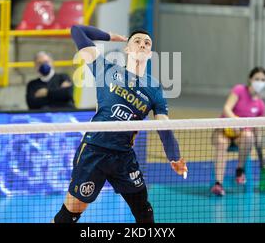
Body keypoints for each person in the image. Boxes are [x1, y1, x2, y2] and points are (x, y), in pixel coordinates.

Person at [52, 25, 188, 223]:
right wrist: (111, 37)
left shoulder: (155, 88)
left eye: (147, 43)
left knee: (144, 211)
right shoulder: (105, 69)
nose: (142, 44)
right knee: (69, 215)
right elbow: (77, 31)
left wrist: (174, 156)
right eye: (137, 41)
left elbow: (163, 126)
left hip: (123, 157)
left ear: (150, 54)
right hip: (94, 150)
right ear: (127, 49)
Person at [210, 67, 265, 196]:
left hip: (241, 136)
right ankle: (218, 184)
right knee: (221, 143)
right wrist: (236, 121)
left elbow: (257, 130)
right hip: (223, 131)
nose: (260, 82)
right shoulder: (239, 90)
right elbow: (227, 108)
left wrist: (261, 155)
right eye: (257, 79)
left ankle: (239, 170)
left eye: (263, 80)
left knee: (249, 136)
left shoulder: (260, 106)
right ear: (250, 79)